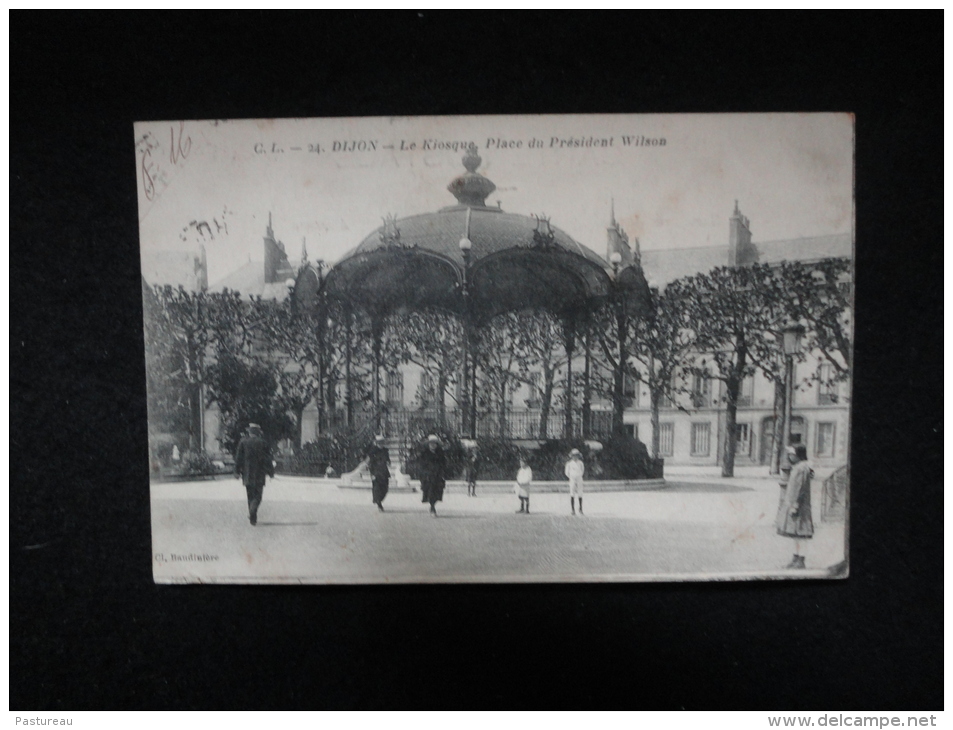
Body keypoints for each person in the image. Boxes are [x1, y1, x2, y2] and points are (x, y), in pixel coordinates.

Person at [776, 444, 815, 568]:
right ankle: (796, 557)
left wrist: (795, 505)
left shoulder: (801, 469)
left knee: (801, 534)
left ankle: (801, 559)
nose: (790, 456)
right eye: (789, 454)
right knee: (796, 534)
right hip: (797, 505)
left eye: (793, 454)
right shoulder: (799, 467)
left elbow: (799, 489)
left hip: (799, 507)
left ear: (799, 455)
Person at [234, 423, 274, 526]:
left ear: (249, 432)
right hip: (259, 473)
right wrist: (271, 472)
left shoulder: (243, 442)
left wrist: (237, 472)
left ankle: (253, 517)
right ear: (258, 432)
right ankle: (253, 512)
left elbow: (238, 458)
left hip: (247, 473)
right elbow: (268, 460)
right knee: (258, 496)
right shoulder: (263, 443)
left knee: (250, 496)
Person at [417, 434, 446, 517]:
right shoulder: (424, 454)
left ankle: (433, 505)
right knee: (430, 492)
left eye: (435, 443)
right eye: (431, 443)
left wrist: (443, 473)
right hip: (428, 476)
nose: (433, 445)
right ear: (428, 444)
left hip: (438, 475)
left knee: (438, 492)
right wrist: (423, 474)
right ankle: (432, 507)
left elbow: (443, 464)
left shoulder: (440, 453)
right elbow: (421, 465)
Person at [364, 434, 391, 512]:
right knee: (377, 488)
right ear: (376, 443)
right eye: (379, 442)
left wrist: (388, 462)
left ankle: (379, 500)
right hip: (376, 471)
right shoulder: (373, 451)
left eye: (382, 442)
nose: (381, 444)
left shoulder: (385, 450)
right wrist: (370, 471)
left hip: (384, 471)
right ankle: (379, 503)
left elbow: (388, 459)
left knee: (385, 488)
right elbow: (369, 461)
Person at [565, 448, 585, 515]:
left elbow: (582, 470)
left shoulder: (580, 463)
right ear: (571, 456)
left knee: (580, 493)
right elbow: (566, 472)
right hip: (572, 479)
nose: (575, 457)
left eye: (576, 455)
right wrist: (571, 476)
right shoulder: (569, 463)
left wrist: (578, 476)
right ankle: (572, 509)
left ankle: (580, 508)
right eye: (574, 455)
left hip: (579, 478)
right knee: (572, 493)